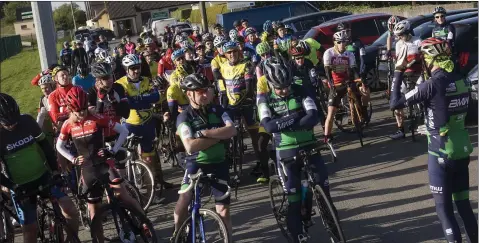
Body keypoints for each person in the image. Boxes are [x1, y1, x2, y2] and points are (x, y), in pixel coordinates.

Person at [389, 37, 477, 243]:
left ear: (430, 59)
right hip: (461, 150)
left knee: (444, 210)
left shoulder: (431, 84)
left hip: (440, 152)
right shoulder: (462, 79)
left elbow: (395, 103)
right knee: (464, 206)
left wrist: (398, 71)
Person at [257, 59, 333, 243]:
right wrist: (296, 117)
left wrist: (284, 122)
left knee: (324, 190)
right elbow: (268, 126)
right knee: (295, 199)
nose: (285, 90)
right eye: (280, 87)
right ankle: (298, 235)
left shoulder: (301, 90)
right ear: (270, 84)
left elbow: (313, 117)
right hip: (285, 152)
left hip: (309, 147)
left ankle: (335, 232)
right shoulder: (264, 99)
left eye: (287, 86)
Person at [55, 87, 143, 243]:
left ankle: (144, 224)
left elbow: (123, 131)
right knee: (94, 213)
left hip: (105, 164)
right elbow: (59, 146)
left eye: (83, 109)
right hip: (88, 170)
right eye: (77, 110)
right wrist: (73, 158)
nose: (82, 113)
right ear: (70, 109)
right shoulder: (68, 125)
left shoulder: (96, 118)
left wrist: (113, 150)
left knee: (123, 195)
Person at [0, 93, 79, 243]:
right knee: (30, 231)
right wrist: (12, 186)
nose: (13, 125)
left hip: (43, 176)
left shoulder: (27, 121)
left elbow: (45, 146)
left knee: (71, 211)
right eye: (8, 124)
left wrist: (55, 170)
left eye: (15, 121)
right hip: (20, 186)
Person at [172, 73, 236, 240]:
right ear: (189, 94)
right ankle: (178, 235)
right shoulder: (184, 117)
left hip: (219, 163)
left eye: (207, 90)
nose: (206, 94)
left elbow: (232, 130)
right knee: (184, 200)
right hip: (196, 164)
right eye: (200, 91)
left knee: (224, 212)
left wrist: (207, 134)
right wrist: (219, 137)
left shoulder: (218, 110)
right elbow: (190, 146)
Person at [115, 54, 172, 189]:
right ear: (126, 69)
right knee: (129, 157)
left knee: (149, 155)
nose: (136, 71)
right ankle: (131, 187)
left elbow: (157, 97)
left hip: (147, 123)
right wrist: (145, 99)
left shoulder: (147, 80)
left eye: (138, 67)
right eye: (132, 68)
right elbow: (127, 104)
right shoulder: (120, 84)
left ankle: (152, 184)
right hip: (130, 125)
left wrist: (137, 100)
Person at [216, 41, 262, 172]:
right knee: (226, 134)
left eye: (234, 51)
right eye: (229, 52)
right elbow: (221, 83)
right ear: (225, 54)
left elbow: (248, 86)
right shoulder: (223, 67)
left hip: (246, 103)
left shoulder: (246, 65)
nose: (232, 54)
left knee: (254, 134)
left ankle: (260, 161)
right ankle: (227, 159)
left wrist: (247, 96)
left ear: (238, 52)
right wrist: (223, 96)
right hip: (231, 105)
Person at [323, 31, 370, 147]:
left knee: (363, 93)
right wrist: (332, 86)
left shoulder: (349, 54)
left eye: (344, 42)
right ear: (334, 42)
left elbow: (354, 70)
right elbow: (328, 72)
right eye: (339, 42)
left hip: (348, 81)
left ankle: (362, 115)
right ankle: (327, 136)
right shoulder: (328, 53)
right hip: (336, 84)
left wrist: (359, 80)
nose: (342, 44)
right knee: (331, 112)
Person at [390, 20, 422, 140]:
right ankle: (400, 129)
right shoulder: (398, 44)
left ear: (408, 32)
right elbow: (399, 60)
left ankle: (425, 118)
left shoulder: (418, 40)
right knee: (397, 98)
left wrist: (416, 60)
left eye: (402, 34)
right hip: (404, 75)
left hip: (418, 73)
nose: (400, 37)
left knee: (424, 92)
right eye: (398, 36)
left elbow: (424, 56)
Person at [165, 49, 192, 124]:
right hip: (183, 103)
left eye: (182, 58)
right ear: (175, 63)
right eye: (178, 59)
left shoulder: (191, 69)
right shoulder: (174, 75)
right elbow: (177, 86)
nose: (181, 60)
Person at [36, 75, 57, 146]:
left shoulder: (58, 95)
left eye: (46, 87)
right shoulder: (43, 99)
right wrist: (36, 128)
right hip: (52, 126)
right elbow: (41, 114)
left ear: (53, 86)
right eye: (42, 88)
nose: (44, 90)